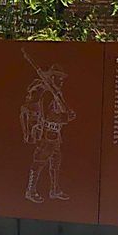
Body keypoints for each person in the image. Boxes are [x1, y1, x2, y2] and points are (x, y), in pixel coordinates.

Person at [22, 62, 74, 203]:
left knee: (55, 163)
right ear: (52, 78)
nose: (62, 80)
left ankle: (54, 190)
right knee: (39, 162)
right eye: (59, 77)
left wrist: (67, 113)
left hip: (56, 135)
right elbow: (46, 115)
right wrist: (65, 117)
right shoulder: (46, 94)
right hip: (47, 134)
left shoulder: (56, 93)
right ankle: (31, 191)